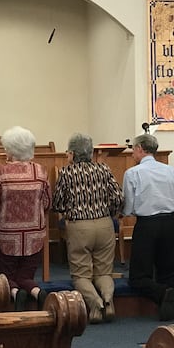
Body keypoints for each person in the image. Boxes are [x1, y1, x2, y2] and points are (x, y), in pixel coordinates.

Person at [52, 133, 124, 324]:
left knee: (81, 275)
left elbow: (57, 203)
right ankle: (108, 299)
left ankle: (95, 304)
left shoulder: (67, 173)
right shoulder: (103, 169)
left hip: (79, 227)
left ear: (73, 154)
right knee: (103, 273)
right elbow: (118, 198)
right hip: (104, 224)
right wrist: (111, 213)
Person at [122, 134, 174, 321]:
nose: (132, 153)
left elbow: (128, 208)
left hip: (146, 226)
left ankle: (163, 294)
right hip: (170, 223)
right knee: (169, 272)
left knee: (138, 277)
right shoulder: (171, 171)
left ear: (140, 149)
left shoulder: (132, 173)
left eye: (133, 148)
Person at [0, 126, 51, 311]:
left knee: (6, 275)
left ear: (10, 149)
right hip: (34, 235)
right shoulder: (40, 172)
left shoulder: (3, 172)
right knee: (26, 275)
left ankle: (16, 293)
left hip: (7, 236)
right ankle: (36, 292)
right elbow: (48, 202)